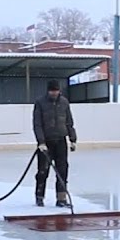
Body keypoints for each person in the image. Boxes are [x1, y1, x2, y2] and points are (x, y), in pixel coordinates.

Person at [32, 79, 77, 207]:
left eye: (56, 90)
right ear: (48, 90)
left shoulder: (64, 102)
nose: (54, 93)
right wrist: (41, 142)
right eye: (52, 91)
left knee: (62, 170)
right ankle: (39, 196)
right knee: (43, 171)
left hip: (61, 141)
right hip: (46, 142)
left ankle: (61, 199)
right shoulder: (40, 103)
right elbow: (37, 124)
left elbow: (69, 122)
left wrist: (72, 139)